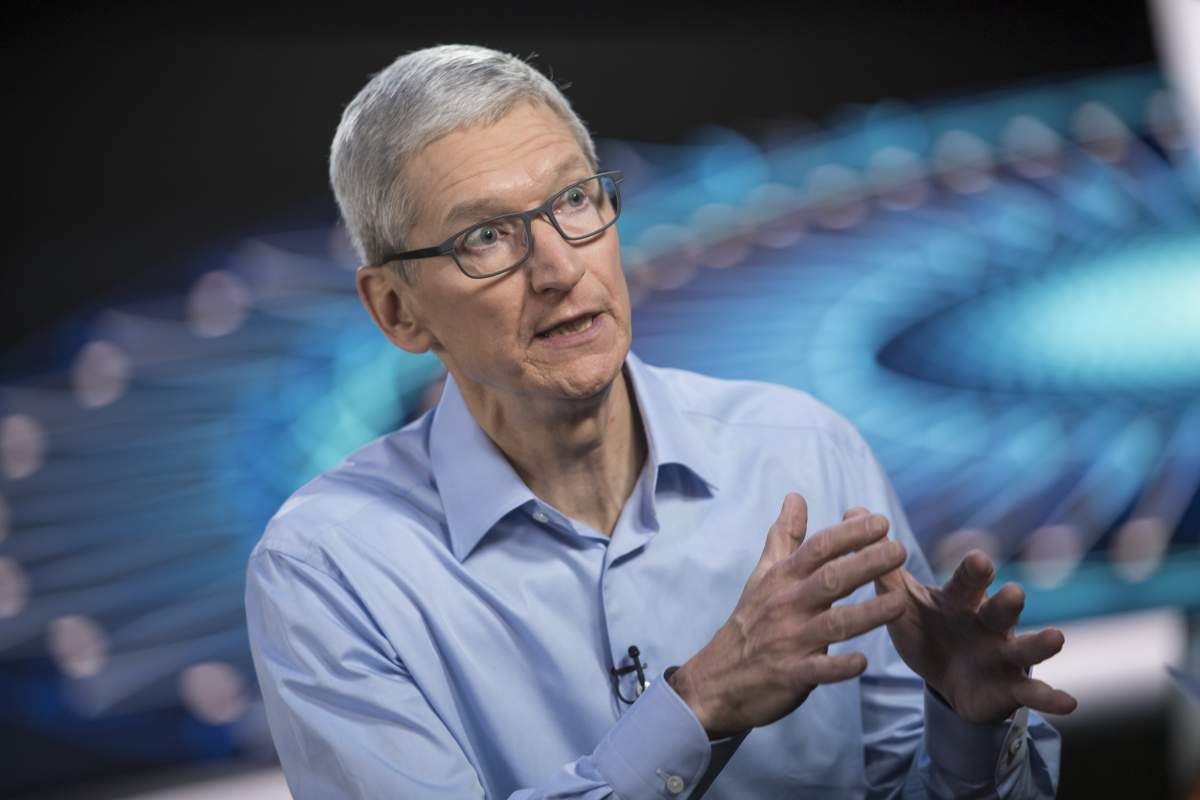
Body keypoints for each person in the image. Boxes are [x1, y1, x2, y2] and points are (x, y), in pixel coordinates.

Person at [244, 44, 1077, 799]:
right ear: (396, 311)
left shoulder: (804, 453)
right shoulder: (329, 567)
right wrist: (701, 704)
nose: (561, 268)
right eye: (488, 237)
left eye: (575, 200)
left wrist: (966, 725)